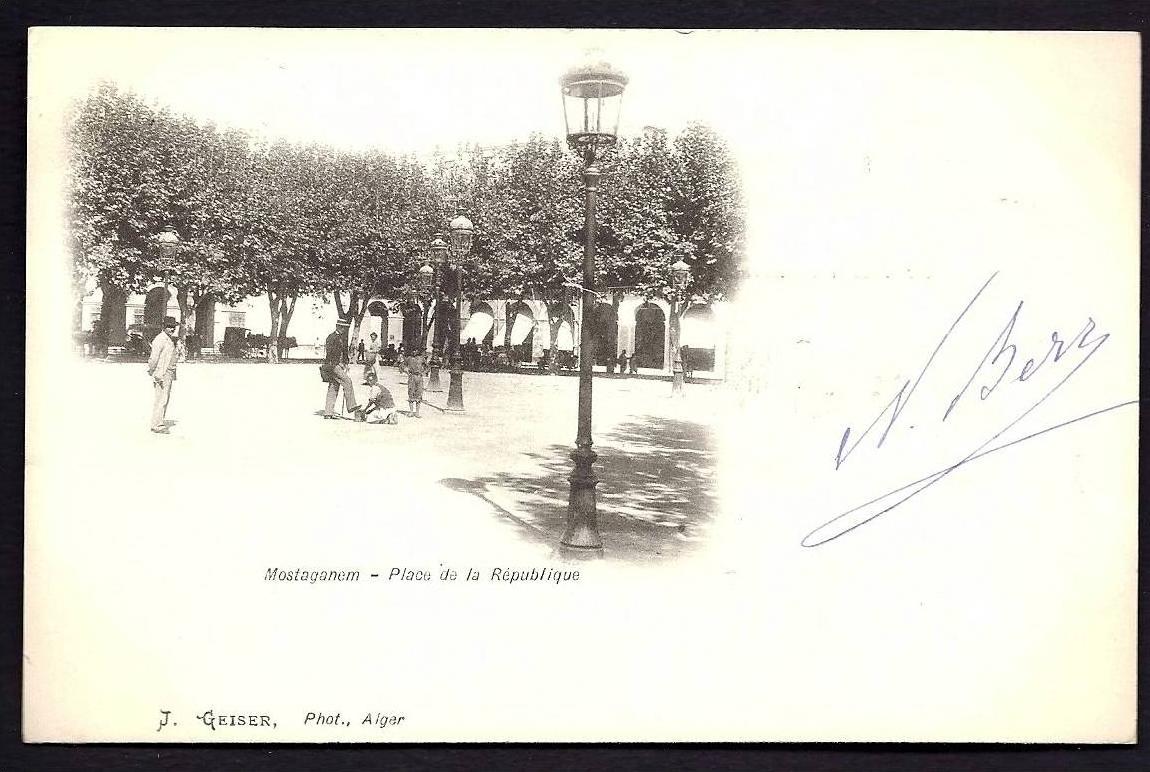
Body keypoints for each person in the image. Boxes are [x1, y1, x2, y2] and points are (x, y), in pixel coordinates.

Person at [321, 318, 364, 421]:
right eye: (342, 327)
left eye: (345, 328)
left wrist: (346, 363)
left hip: (339, 364)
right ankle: (351, 406)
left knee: (333, 387)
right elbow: (330, 353)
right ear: (337, 327)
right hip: (333, 365)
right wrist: (339, 363)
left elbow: (344, 351)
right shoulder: (331, 337)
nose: (343, 329)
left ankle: (328, 412)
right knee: (347, 381)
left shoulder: (342, 337)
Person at [147, 316, 180, 433]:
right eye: (169, 327)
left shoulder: (169, 339)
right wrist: (152, 370)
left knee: (164, 398)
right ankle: (157, 425)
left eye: (173, 327)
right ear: (163, 327)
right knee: (161, 399)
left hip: (169, 372)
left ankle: (158, 422)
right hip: (162, 373)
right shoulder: (160, 339)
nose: (172, 329)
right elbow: (154, 358)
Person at [406, 349, 428, 417]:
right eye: (413, 350)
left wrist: (423, 372)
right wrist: (406, 371)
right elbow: (402, 366)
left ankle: (417, 412)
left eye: (415, 350)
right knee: (411, 393)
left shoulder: (421, 358)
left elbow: (427, 367)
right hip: (412, 377)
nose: (414, 351)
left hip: (419, 377)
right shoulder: (409, 358)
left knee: (419, 393)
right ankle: (411, 411)